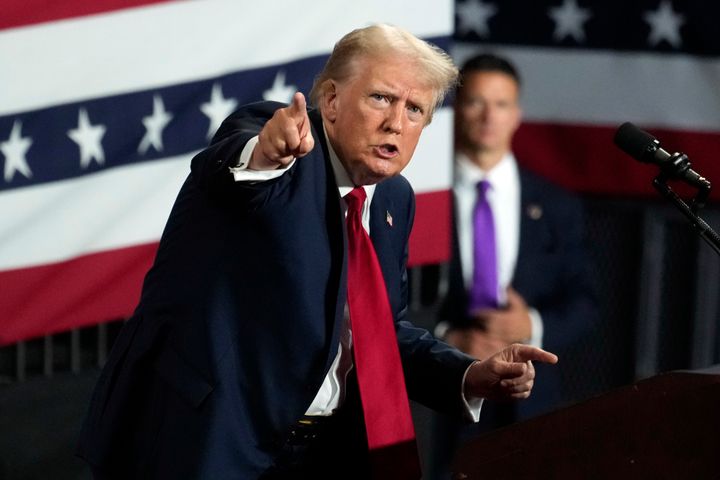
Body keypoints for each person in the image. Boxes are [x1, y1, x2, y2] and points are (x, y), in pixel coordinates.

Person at [76, 27, 558, 480]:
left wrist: (469, 375)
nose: (396, 121)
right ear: (329, 100)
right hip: (206, 438)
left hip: (319, 454)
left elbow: (380, 331)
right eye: (381, 98)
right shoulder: (276, 142)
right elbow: (232, 167)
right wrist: (267, 153)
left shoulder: (394, 198)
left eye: (415, 110)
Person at [430, 53, 597, 477]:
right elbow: (390, 295)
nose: (489, 116)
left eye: (501, 104)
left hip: (531, 401)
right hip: (441, 400)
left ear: (517, 115)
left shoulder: (557, 205)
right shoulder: (420, 196)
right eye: (476, 102)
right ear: (457, 109)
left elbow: (586, 301)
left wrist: (531, 327)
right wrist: (448, 337)